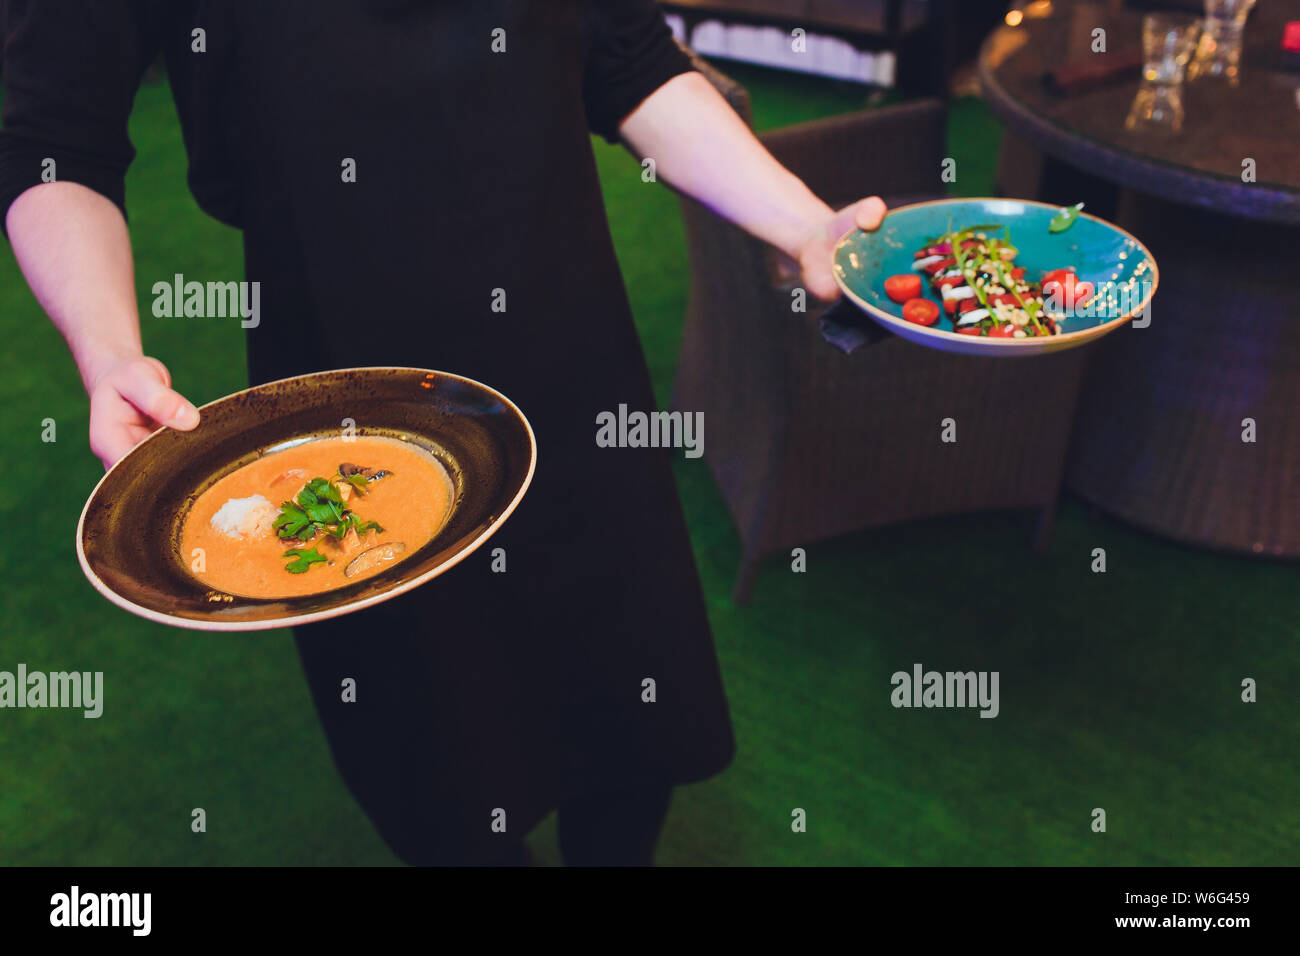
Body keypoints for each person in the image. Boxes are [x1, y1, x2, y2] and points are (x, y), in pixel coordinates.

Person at [0, 0, 885, 865]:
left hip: (568, 357)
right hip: (342, 397)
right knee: (433, 756)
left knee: (623, 700)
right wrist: (108, 350)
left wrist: (804, 221)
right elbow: (53, 145)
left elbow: (627, 56)